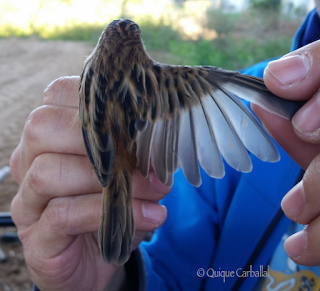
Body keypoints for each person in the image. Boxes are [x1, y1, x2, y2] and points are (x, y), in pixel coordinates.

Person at [9, 2, 320, 291]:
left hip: (108, 164)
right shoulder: (192, 85)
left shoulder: (93, 78)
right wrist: (113, 284)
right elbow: (173, 268)